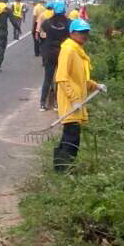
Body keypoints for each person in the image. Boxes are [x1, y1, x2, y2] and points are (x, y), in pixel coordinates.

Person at [53, 17, 98, 171]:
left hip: (77, 102)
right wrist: (73, 100)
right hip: (70, 102)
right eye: (80, 32)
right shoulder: (68, 50)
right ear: (72, 33)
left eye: (86, 32)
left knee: (69, 136)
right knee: (72, 139)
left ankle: (60, 168)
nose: (84, 35)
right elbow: (61, 77)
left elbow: (80, 79)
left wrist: (95, 86)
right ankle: (63, 170)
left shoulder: (78, 51)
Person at [39, 1, 70, 109]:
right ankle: (57, 103)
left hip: (49, 52)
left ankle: (43, 103)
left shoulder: (47, 23)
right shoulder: (68, 23)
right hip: (62, 53)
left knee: (48, 78)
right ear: (64, 11)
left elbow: (41, 34)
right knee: (60, 78)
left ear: (54, 11)